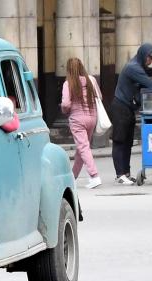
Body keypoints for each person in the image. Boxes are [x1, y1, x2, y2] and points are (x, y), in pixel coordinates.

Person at [111, 43, 152, 184]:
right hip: (121, 108)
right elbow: (151, 85)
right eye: (150, 58)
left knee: (128, 142)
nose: (151, 61)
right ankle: (120, 174)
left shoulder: (138, 66)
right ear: (143, 55)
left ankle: (126, 172)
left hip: (128, 108)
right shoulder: (133, 68)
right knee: (120, 141)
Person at [61, 57, 102, 189]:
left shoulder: (68, 83)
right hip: (92, 118)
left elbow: (66, 104)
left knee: (83, 147)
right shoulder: (91, 80)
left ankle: (94, 176)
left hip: (77, 119)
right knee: (81, 148)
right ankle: (72, 177)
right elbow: (99, 97)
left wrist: (64, 110)